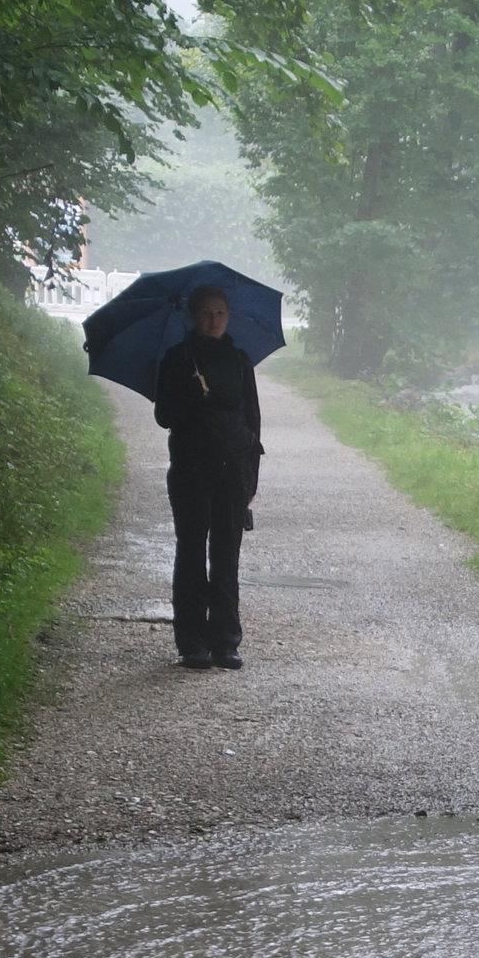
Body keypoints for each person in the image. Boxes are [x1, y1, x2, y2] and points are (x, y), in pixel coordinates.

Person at [153, 285, 263, 670]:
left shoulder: (239, 360)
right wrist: (189, 395)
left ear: (228, 317)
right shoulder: (177, 359)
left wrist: (251, 477)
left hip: (232, 470)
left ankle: (226, 641)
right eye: (205, 313)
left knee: (226, 555)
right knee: (191, 553)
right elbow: (164, 416)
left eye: (219, 313)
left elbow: (253, 421)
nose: (213, 320)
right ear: (193, 317)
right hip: (190, 469)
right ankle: (192, 643)